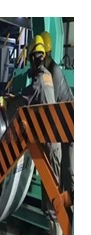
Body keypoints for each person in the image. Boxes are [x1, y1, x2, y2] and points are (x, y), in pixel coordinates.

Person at [23, 35, 63, 235]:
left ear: (33, 58)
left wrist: (7, 101)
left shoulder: (39, 79)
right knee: (53, 196)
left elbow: (25, 99)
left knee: (51, 201)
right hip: (54, 144)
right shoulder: (48, 76)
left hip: (49, 147)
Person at [41, 31, 74, 201]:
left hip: (70, 126)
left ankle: (70, 209)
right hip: (64, 125)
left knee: (68, 171)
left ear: (46, 54)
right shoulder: (49, 70)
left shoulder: (53, 72)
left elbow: (49, 103)